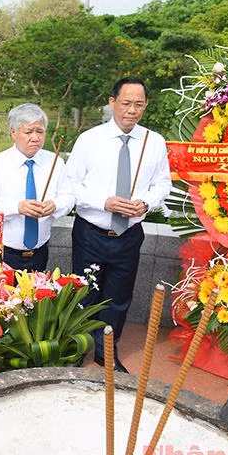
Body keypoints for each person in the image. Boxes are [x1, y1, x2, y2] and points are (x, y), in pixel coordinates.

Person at [66, 77, 172, 373]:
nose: (132, 110)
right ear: (112, 102)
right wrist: (105, 202)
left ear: (146, 106)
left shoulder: (154, 141)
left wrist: (146, 202)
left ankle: (106, 352)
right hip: (91, 232)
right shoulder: (90, 139)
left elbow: (163, 184)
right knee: (84, 293)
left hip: (128, 234)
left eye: (139, 104)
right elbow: (70, 183)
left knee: (119, 297)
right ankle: (77, 348)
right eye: (126, 103)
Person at [0, 103, 74, 272]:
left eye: (40, 131)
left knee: (37, 290)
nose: (35, 138)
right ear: (13, 133)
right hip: (1, 250)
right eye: (28, 132)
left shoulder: (55, 162)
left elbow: (68, 196)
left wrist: (55, 205)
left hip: (40, 251)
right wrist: (17, 208)